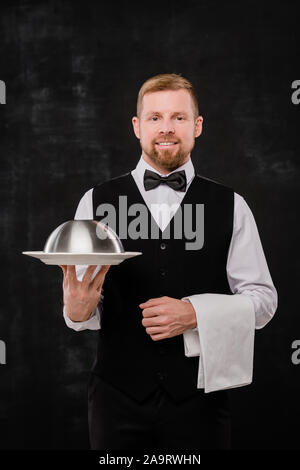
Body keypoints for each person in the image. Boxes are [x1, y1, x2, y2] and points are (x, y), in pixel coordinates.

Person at [60, 73, 277, 451]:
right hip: (116, 401)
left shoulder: (232, 205)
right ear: (137, 126)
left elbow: (263, 302)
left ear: (197, 126)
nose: (166, 128)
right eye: (155, 117)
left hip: (200, 400)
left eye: (178, 117)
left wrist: (196, 313)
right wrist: (77, 312)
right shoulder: (95, 201)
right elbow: (82, 309)